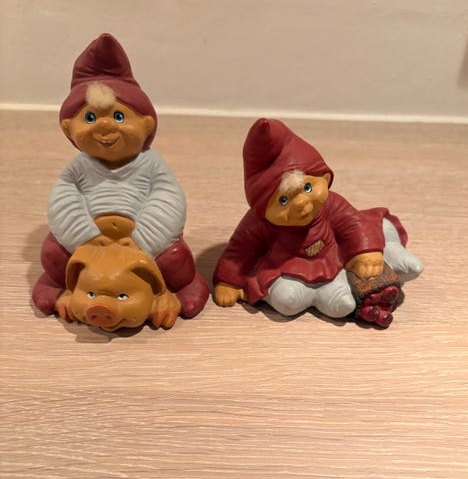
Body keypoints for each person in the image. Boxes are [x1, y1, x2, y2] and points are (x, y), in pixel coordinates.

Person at [33, 33, 208, 319]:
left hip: (141, 241)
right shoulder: (78, 167)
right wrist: (83, 237)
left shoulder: (150, 164)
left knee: (174, 257)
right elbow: (64, 196)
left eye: (118, 117)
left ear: (146, 124)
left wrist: (143, 240)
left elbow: (167, 197)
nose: (104, 128)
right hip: (89, 243)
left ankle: (182, 286)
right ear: (68, 129)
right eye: (90, 118)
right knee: (54, 252)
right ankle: (57, 283)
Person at [213, 118, 423, 327]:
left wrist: (365, 251)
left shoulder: (331, 203)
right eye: (284, 200)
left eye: (307, 188)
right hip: (288, 265)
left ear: (324, 177)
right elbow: (240, 249)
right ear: (263, 209)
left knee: (353, 283)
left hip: (333, 254)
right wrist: (229, 281)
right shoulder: (260, 223)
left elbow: (352, 223)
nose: (301, 203)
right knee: (288, 301)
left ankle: (383, 254)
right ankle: (321, 293)